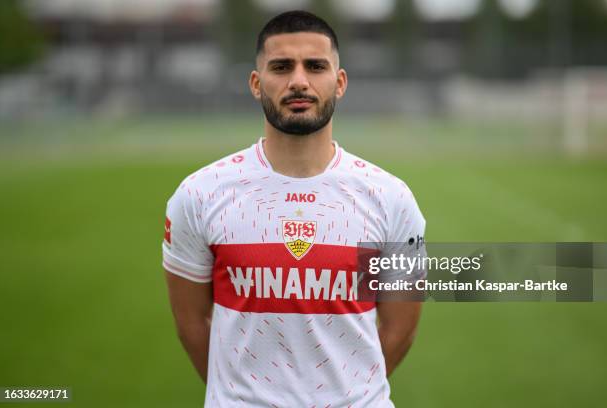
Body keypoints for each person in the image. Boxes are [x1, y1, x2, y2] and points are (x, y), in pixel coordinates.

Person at [163, 10, 426, 407]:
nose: (299, 81)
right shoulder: (200, 194)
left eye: (316, 66)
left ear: (339, 83)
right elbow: (191, 325)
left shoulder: (391, 197)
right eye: (282, 66)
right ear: (256, 83)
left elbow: (400, 329)